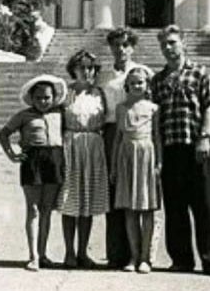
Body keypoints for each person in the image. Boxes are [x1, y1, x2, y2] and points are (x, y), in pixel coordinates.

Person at [151, 25, 210, 278]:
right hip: (171, 149)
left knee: (206, 205)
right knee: (175, 207)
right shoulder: (157, 80)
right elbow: (156, 119)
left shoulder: (200, 73)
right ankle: (181, 259)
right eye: (164, 44)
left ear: (184, 43)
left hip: (197, 147)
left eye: (172, 42)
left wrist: (204, 136)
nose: (168, 48)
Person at [0, 74, 67, 272]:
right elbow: (3, 133)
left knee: (47, 209)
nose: (43, 102)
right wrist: (12, 154)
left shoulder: (59, 114)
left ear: (54, 97)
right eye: (38, 98)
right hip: (33, 162)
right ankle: (33, 256)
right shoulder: (24, 115)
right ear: (31, 98)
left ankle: (43, 254)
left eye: (47, 97)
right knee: (33, 209)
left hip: (54, 160)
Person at [99, 27, 154, 268]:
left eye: (125, 45)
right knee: (115, 191)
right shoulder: (104, 76)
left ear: (132, 47)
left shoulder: (143, 72)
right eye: (115, 45)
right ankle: (116, 253)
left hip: (138, 134)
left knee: (139, 193)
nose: (120, 49)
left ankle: (142, 254)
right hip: (112, 131)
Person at [57, 49, 109, 269]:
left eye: (91, 68)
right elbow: (57, 122)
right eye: (82, 67)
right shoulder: (65, 93)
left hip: (93, 147)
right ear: (73, 69)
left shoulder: (99, 94)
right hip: (71, 146)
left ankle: (82, 252)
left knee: (87, 202)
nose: (87, 72)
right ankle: (69, 252)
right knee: (70, 200)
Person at [110, 67, 162, 274]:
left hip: (146, 155)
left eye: (140, 82)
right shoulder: (121, 108)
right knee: (130, 209)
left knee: (147, 208)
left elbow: (157, 137)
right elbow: (117, 138)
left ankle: (145, 258)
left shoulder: (153, 108)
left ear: (147, 85)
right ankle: (133, 255)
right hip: (126, 156)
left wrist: (159, 163)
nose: (136, 86)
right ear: (127, 86)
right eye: (132, 83)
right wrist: (114, 166)